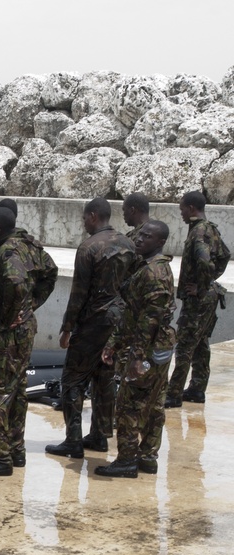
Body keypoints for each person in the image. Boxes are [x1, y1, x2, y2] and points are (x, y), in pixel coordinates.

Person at [46, 198, 135, 459]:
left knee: (72, 379)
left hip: (92, 324)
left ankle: (73, 439)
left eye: (84, 218)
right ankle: (100, 434)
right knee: (104, 377)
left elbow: (78, 294)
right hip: (117, 321)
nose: (83, 222)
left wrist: (66, 328)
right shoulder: (129, 244)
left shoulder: (88, 248)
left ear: (94, 216)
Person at [0, 207, 58, 476]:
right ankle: (16, 449)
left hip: (7, 335)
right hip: (25, 330)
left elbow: (14, 282)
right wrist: (32, 305)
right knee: (17, 389)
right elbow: (51, 271)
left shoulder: (7, 251)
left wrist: (5, 318)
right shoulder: (30, 244)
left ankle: (0, 457)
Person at [97, 220, 176, 477]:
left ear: (160, 242)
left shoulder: (155, 273)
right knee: (153, 404)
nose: (140, 239)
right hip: (149, 347)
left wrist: (136, 357)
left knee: (130, 405)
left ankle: (127, 460)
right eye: (140, 235)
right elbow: (132, 313)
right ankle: (147, 456)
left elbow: (148, 321)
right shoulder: (146, 267)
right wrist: (113, 343)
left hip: (148, 350)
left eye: (148, 237)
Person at [164, 191, 228, 407]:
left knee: (184, 346)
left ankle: (173, 394)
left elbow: (204, 261)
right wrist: (209, 282)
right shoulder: (210, 228)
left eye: (182, 208)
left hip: (199, 300)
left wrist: (201, 286)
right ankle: (197, 389)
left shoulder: (198, 232)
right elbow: (225, 255)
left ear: (191, 208)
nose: (181, 213)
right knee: (200, 344)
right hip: (209, 297)